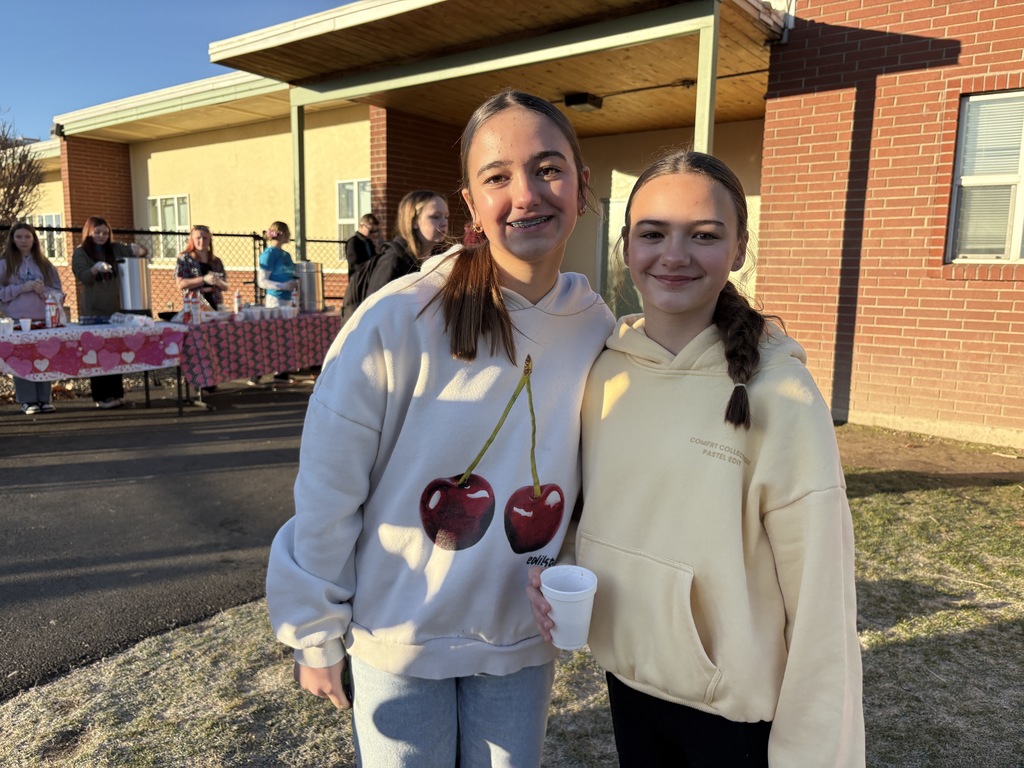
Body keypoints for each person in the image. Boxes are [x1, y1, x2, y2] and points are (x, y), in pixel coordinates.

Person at [266, 89, 614, 767]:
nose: (526, 194)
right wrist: (314, 630)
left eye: (547, 168)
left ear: (581, 183)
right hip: (399, 636)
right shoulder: (398, 319)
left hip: (518, 639)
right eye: (498, 177)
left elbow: (594, 478)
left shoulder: (595, 325)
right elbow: (330, 487)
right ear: (471, 204)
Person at [528, 149, 865, 767]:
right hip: (629, 682)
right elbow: (603, 511)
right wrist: (564, 567)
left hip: (731, 716)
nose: (674, 256)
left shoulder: (780, 395)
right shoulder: (603, 372)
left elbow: (822, 605)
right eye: (653, 233)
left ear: (738, 249)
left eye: (704, 236)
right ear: (627, 246)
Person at [72, 216, 149, 409]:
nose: (101, 236)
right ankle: (102, 396)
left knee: (115, 351)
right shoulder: (81, 252)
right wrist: (95, 268)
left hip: (115, 310)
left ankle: (116, 393)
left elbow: (140, 252)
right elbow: (82, 275)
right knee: (97, 353)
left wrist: (139, 249)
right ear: (89, 232)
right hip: (94, 312)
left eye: (105, 233)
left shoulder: (115, 249)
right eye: (97, 232)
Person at [0, 222, 63, 415]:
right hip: (17, 321)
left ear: (34, 240)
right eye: (19, 237)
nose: (23, 241)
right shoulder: (4, 264)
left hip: (42, 320)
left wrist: (43, 291)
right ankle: (28, 400)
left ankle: (44, 398)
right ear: (12, 240)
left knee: (44, 357)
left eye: (27, 237)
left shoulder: (45, 265)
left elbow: (58, 293)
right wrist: (21, 288)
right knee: (22, 359)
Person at [364, 190, 448, 296]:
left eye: (446, 217)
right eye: (435, 216)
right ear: (414, 221)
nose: (444, 223)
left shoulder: (441, 259)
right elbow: (374, 304)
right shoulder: (393, 261)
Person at [252, 221, 299, 386]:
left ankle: (281, 371)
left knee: (285, 336)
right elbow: (262, 281)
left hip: (288, 298)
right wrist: (282, 286)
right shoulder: (269, 254)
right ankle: (258, 372)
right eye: (287, 232)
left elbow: (290, 273)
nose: (289, 236)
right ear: (281, 233)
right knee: (273, 335)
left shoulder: (285, 255)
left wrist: (293, 283)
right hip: (275, 299)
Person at [175, 225, 228, 310]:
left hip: (215, 304)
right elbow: (181, 284)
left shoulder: (216, 261)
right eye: (198, 238)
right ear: (192, 240)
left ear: (210, 240)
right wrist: (204, 279)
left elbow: (225, 287)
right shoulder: (185, 259)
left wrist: (218, 282)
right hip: (194, 304)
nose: (202, 241)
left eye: (205, 238)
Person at [342, 213, 380, 318]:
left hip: (369, 280)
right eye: (371, 231)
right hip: (358, 281)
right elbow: (354, 264)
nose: (373, 235)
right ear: (361, 226)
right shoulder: (353, 242)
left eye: (376, 232)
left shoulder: (369, 242)